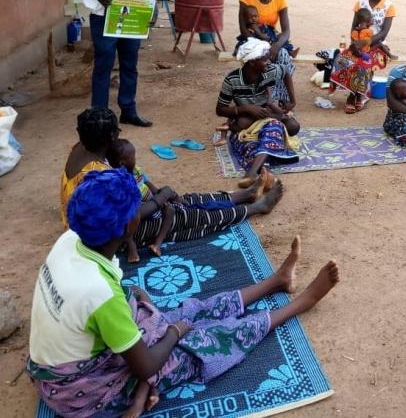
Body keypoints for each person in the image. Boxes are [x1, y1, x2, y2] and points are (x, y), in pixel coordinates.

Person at [27, 169, 340, 418]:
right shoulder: (97, 292)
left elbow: (121, 296)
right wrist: (174, 332)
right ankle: (299, 304)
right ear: (127, 227)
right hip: (82, 395)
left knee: (188, 311)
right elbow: (147, 364)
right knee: (204, 341)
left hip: (71, 367)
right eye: (137, 208)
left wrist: (152, 316)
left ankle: (276, 282)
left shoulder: (71, 240)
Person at [103, 137, 284, 258]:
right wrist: (161, 198)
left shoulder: (109, 169)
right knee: (192, 216)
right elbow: (134, 215)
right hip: (134, 229)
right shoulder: (115, 182)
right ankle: (255, 207)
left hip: (148, 210)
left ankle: (244, 195)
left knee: (190, 200)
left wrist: (161, 195)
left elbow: (146, 187)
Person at [217, 38, 301, 187]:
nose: (269, 62)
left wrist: (292, 101)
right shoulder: (232, 80)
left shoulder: (269, 71)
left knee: (291, 127)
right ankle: (261, 173)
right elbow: (220, 109)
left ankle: (253, 173)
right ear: (252, 62)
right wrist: (248, 109)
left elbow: (286, 72)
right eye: (265, 59)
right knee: (256, 134)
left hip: (266, 115)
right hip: (246, 119)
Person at [329, 0, 397, 114]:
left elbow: (384, 32)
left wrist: (365, 42)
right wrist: (355, 44)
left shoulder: (389, 6)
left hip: (378, 47)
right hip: (358, 45)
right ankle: (359, 94)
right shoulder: (360, 3)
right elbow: (353, 27)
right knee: (342, 60)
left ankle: (354, 96)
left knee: (363, 64)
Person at [238, 0, 296, 111]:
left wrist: (275, 46)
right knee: (260, 59)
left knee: (282, 54)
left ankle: (281, 99)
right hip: (251, 40)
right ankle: (268, 100)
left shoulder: (280, 0)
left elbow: (286, 31)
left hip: (271, 39)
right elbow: (243, 29)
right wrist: (262, 45)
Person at [107, 139, 176, 263]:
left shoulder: (136, 170)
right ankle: (132, 249)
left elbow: (149, 185)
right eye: (132, 157)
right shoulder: (119, 180)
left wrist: (159, 196)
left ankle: (157, 245)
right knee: (126, 222)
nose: (135, 159)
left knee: (170, 210)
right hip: (136, 211)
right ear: (122, 163)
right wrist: (161, 198)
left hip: (150, 203)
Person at [60, 107, 117, 225]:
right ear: (113, 135)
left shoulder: (78, 148)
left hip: (72, 217)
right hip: (87, 232)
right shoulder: (99, 173)